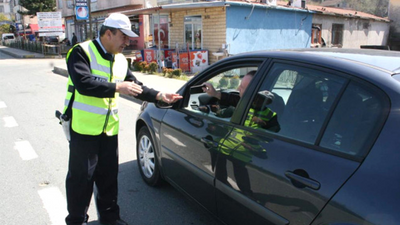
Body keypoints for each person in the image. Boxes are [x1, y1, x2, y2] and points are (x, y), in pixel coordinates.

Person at [62, 13, 182, 225]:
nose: (128, 42)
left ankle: (110, 219)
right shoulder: (81, 52)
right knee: (81, 181)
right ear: (108, 33)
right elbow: (84, 83)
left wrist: (159, 96)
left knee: (108, 179)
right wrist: (118, 87)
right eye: (124, 37)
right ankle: (76, 220)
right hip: (84, 131)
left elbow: (135, 87)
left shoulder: (119, 59)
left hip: (109, 131)